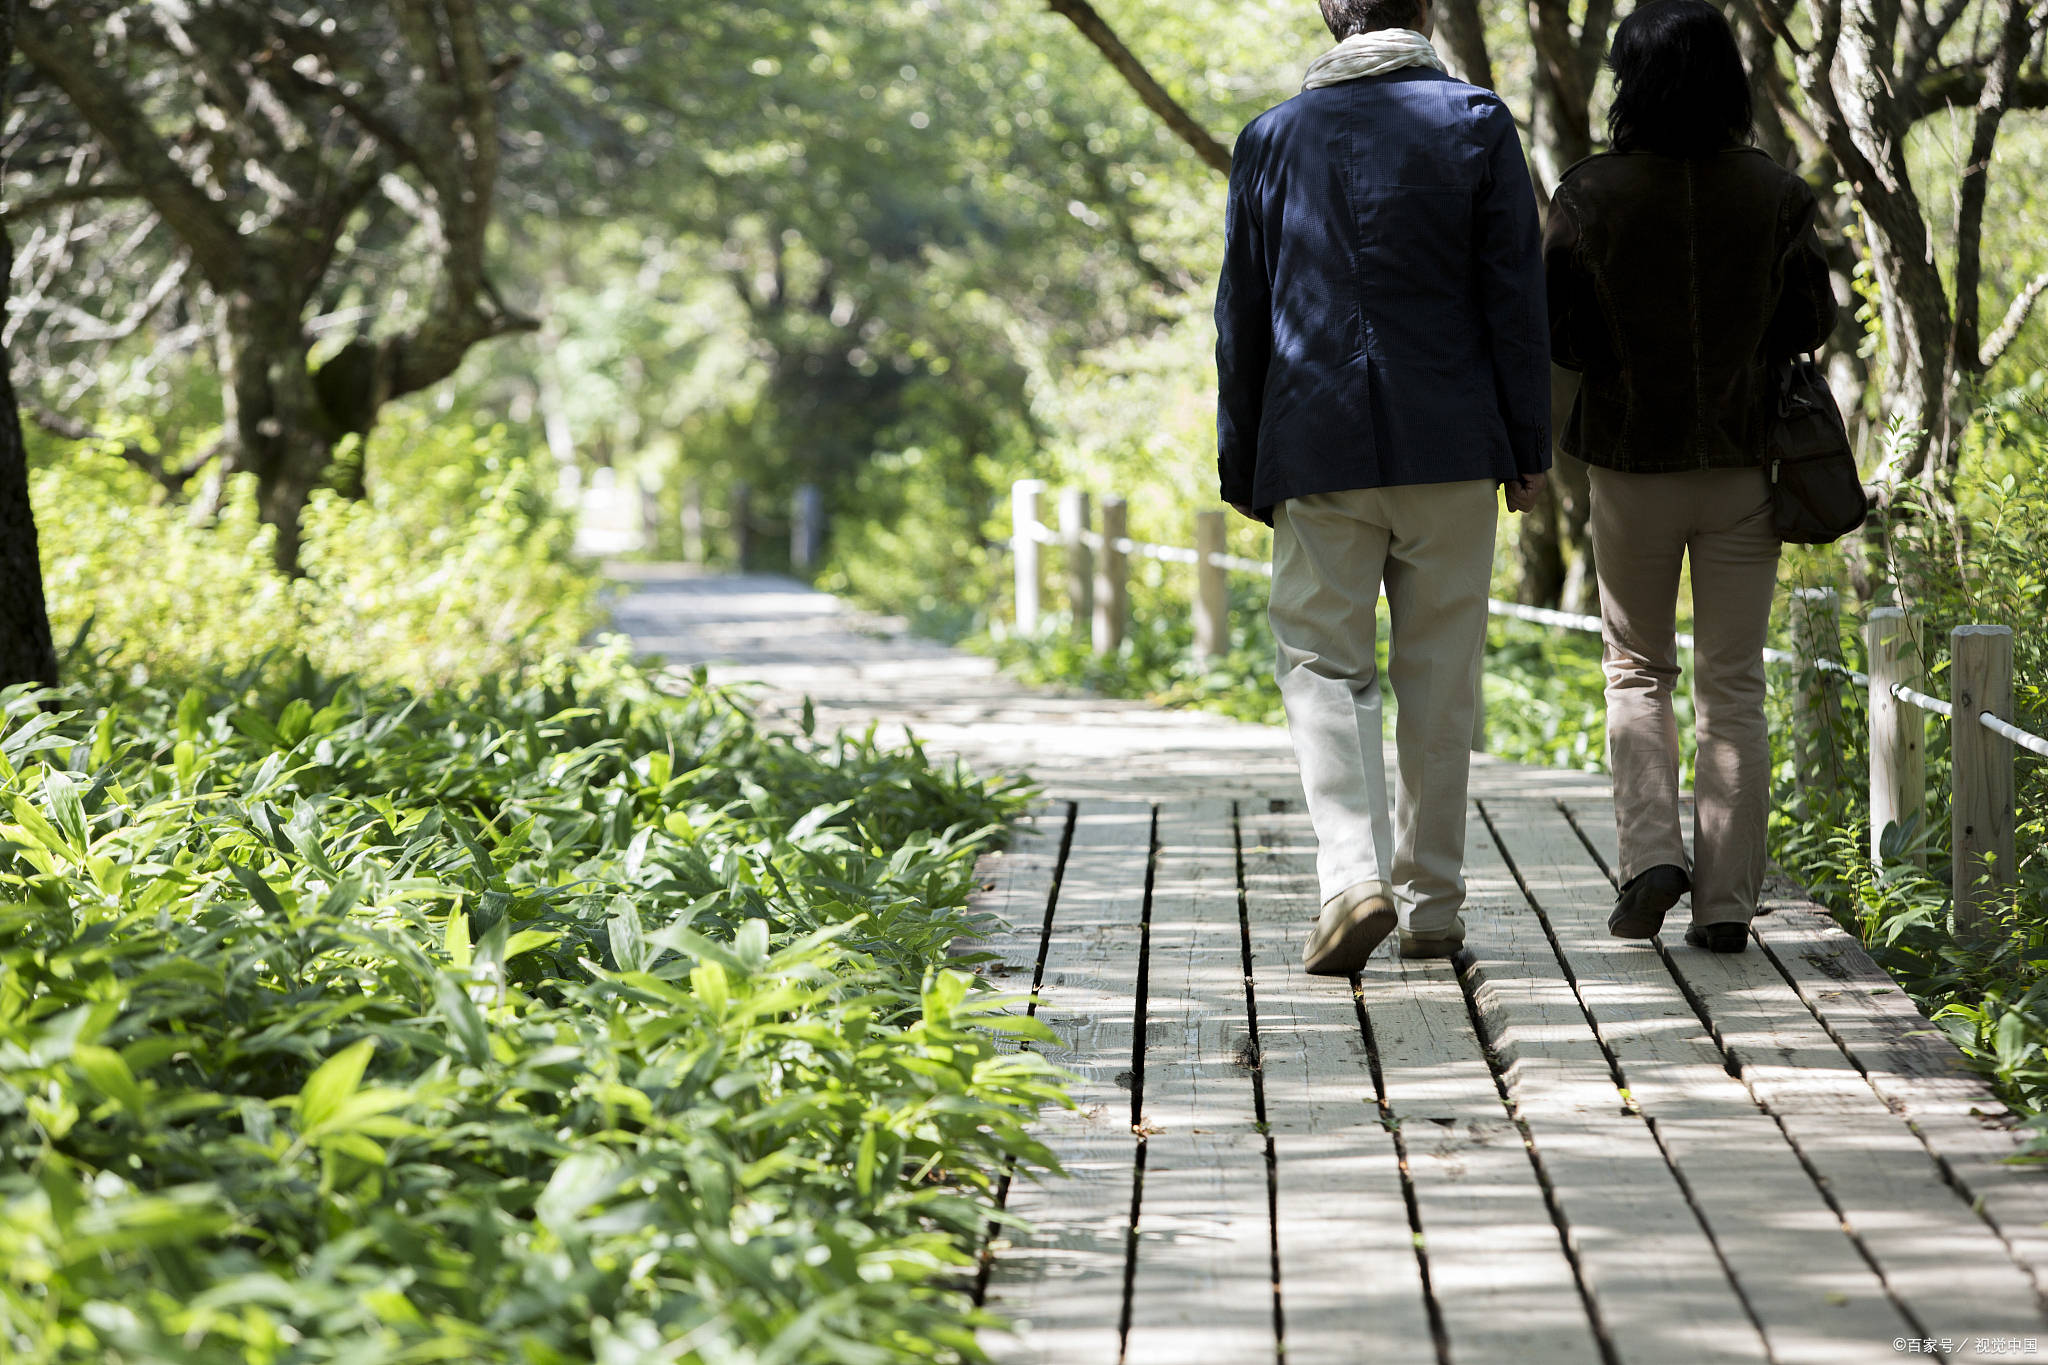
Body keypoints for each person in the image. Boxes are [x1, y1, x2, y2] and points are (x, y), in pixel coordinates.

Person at [1215, 0, 1551, 975]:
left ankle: (1350, 876)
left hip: (1314, 447)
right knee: (1439, 676)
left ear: (1333, 17)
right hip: (1452, 446)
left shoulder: (1270, 138)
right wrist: (1526, 445)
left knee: (1321, 665)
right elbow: (1512, 299)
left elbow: (1238, 312)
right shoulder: (1478, 123)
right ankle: (1432, 908)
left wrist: (1245, 464)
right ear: (1425, 13)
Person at [1543, 0, 1837, 953]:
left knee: (1638, 669)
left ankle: (1651, 857)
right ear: (1729, 83)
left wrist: (1538, 458)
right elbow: (1810, 324)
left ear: (1630, 81)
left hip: (1630, 466)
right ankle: (1726, 905)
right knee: (1733, 683)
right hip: (1745, 466)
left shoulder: (1589, 195)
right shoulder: (1778, 195)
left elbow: (1565, 340)